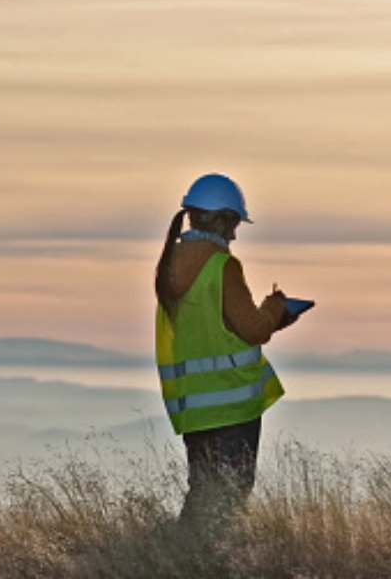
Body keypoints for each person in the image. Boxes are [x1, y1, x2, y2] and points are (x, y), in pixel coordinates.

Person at [153, 173, 295, 522]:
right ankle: (205, 562)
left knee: (204, 495)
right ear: (218, 219)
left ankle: (182, 558)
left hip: (195, 409)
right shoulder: (222, 266)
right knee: (229, 500)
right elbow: (253, 328)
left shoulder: (170, 267)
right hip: (232, 407)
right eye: (232, 223)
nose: (233, 234)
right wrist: (277, 307)